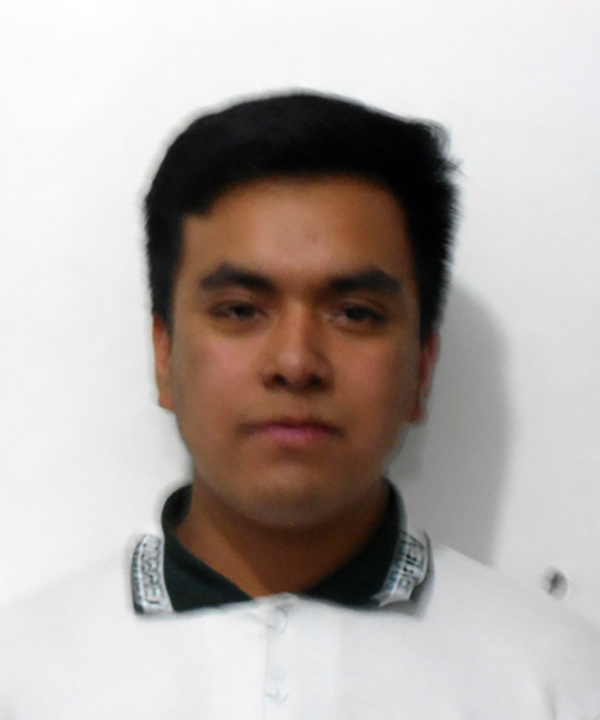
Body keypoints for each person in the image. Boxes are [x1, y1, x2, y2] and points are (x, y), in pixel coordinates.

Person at [1, 91, 600, 718]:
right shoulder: (22, 677)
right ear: (164, 353)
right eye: (240, 310)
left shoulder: (559, 681)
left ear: (423, 368)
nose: (295, 363)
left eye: (355, 313)